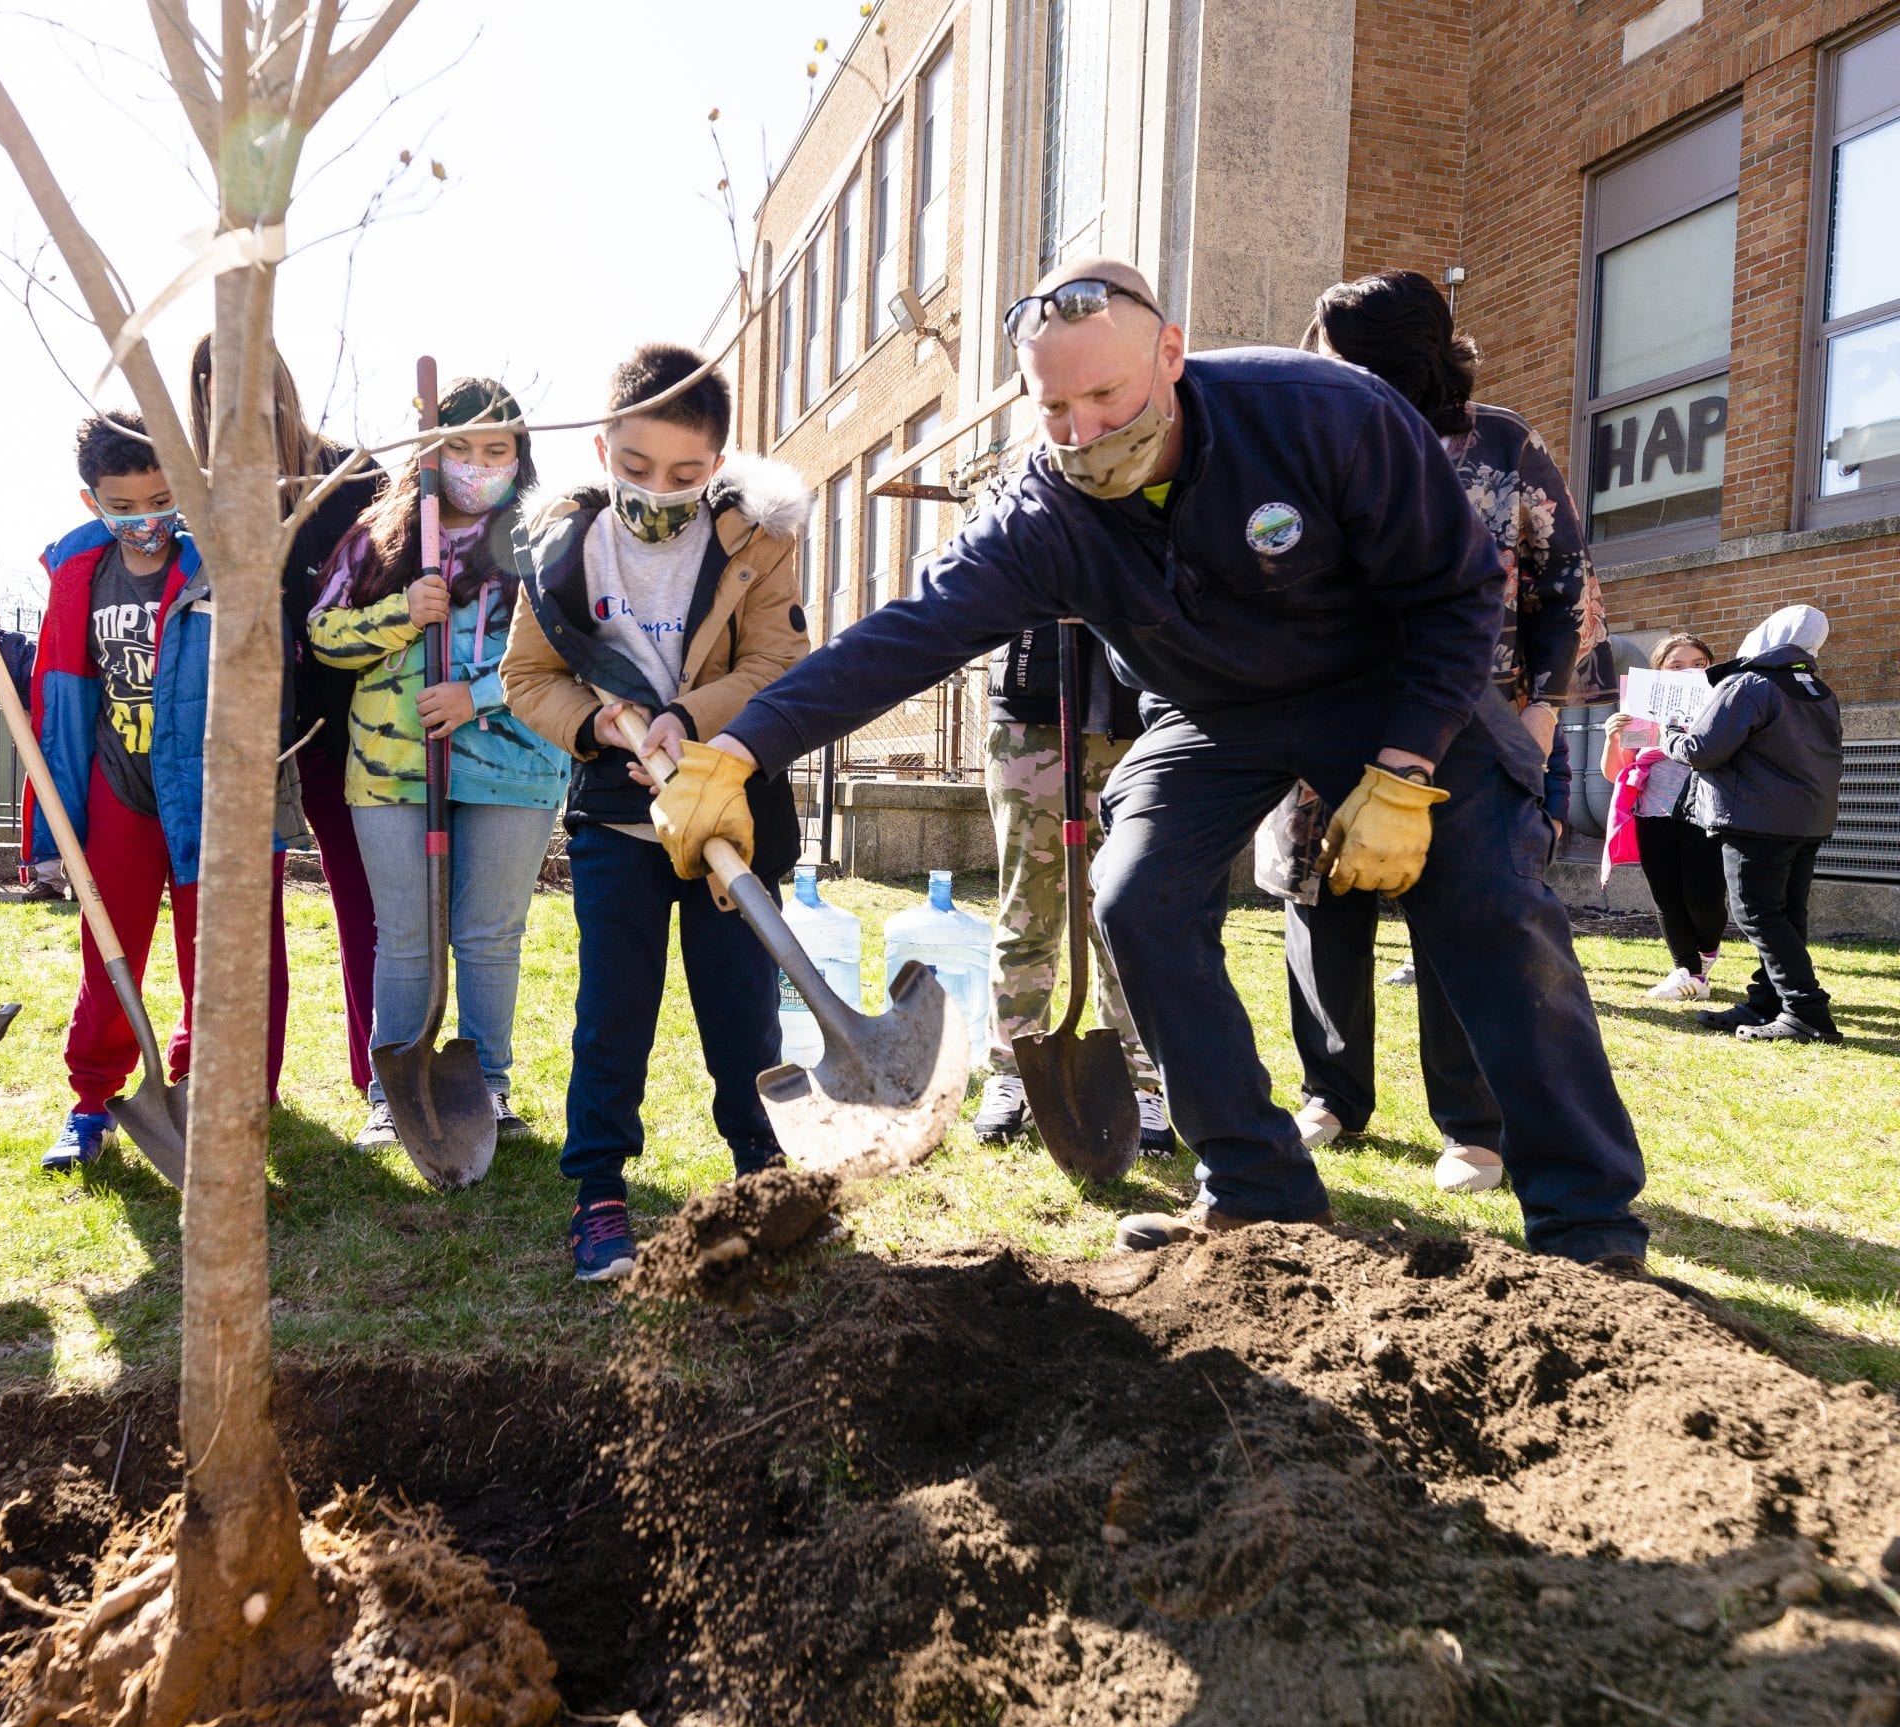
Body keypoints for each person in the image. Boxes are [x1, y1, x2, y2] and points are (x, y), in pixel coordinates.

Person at [655, 256, 1648, 1267]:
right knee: (1135, 895)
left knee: (1487, 893)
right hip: (1217, 712)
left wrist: (1402, 769)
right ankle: (1257, 1193)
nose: (1083, 431)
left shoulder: (1322, 411)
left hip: (1391, 683)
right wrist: (737, 750)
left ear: (1170, 354)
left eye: (1105, 395)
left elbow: (1457, 593)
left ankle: (1589, 1225)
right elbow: (910, 634)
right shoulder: (1042, 514)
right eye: (1054, 408)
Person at [1279, 269, 1613, 1196]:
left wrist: (1541, 716)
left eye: (1332, 350)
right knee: (1321, 899)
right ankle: (1331, 1093)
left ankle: (1473, 1125)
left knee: (1462, 916)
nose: (1315, 363)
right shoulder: (1309, 433)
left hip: (1473, 718)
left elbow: (1563, 583)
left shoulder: (1500, 445)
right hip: (1328, 712)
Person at [502, 343, 811, 1282]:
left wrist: (687, 719)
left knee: (743, 1017)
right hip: (616, 829)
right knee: (613, 1012)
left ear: (717, 466)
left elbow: (775, 667)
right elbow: (526, 679)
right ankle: (599, 1194)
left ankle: (764, 1179)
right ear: (603, 449)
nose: (657, 490)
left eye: (684, 475)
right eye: (635, 468)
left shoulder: (756, 543)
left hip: (731, 822)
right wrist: (599, 723)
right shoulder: (559, 549)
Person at [308, 378, 570, 1148]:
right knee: (406, 934)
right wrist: (402, 614)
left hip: (514, 765)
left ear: (520, 455)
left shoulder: (547, 539)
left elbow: (573, 654)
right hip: (391, 767)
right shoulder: (377, 536)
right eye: (458, 447)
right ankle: (395, 1089)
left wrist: (477, 694)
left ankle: (486, 1086)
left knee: (490, 933)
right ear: (429, 452)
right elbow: (323, 635)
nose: (477, 464)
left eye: (496, 449)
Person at [28, 410, 289, 1170]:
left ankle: (205, 1090)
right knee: (110, 951)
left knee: (211, 954)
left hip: (205, 787)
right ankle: (92, 1101)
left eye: (160, 500)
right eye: (124, 506)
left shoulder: (218, 567)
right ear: (93, 503)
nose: (145, 521)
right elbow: (61, 692)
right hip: (120, 786)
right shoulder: (80, 574)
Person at [190, 334, 387, 1101]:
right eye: (213, 387)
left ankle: (381, 1081)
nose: (234, 402)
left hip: (344, 727)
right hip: (243, 734)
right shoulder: (193, 490)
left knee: (366, 905)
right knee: (242, 914)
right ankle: (244, 1088)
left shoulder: (351, 476)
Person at [972, 622, 1171, 1154]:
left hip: (1136, 723)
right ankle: (1012, 1071)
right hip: (1032, 718)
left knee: (1123, 914)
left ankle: (1139, 1078)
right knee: (1026, 911)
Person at [1669, 604, 1845, 1043]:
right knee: (1785, 913)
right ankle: (1767, 1002)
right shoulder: (1818, 688)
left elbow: (1703, 750)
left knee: (1758, 913)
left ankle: (1806, 1012)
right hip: (1807, 817)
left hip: (1757, 816)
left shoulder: (1750, 684)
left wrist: (1669, 734)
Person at [1600, 632, 1728, 1000]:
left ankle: (1705, 956)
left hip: (1706, 812)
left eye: (1699, 664)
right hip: (1652, 812)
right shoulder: (1642, 710)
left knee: (1703, 896)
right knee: (1667, 896)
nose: (1688, 671)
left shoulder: (1723, 703)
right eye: (1676, 665)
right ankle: (1687, 972)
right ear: (1659, 671)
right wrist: (1613, 738)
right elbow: (1615, 773)